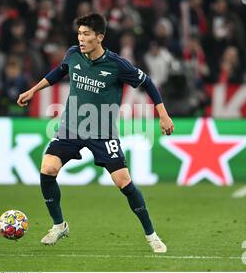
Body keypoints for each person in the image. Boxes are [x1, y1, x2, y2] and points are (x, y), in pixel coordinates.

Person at [17, 13, 174, 253]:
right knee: (48, 169)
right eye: (79, 33)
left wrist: (163, 115)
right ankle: (59, 225)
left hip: (102, 132)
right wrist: (33, 90)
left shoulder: (116, 64)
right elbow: (59, 72)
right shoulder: (73, 54)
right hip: (70, 127)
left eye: (86, 34)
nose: (81, 38)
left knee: (123, 182)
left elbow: (148, 83)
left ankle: (151, 235)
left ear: (99, 37)